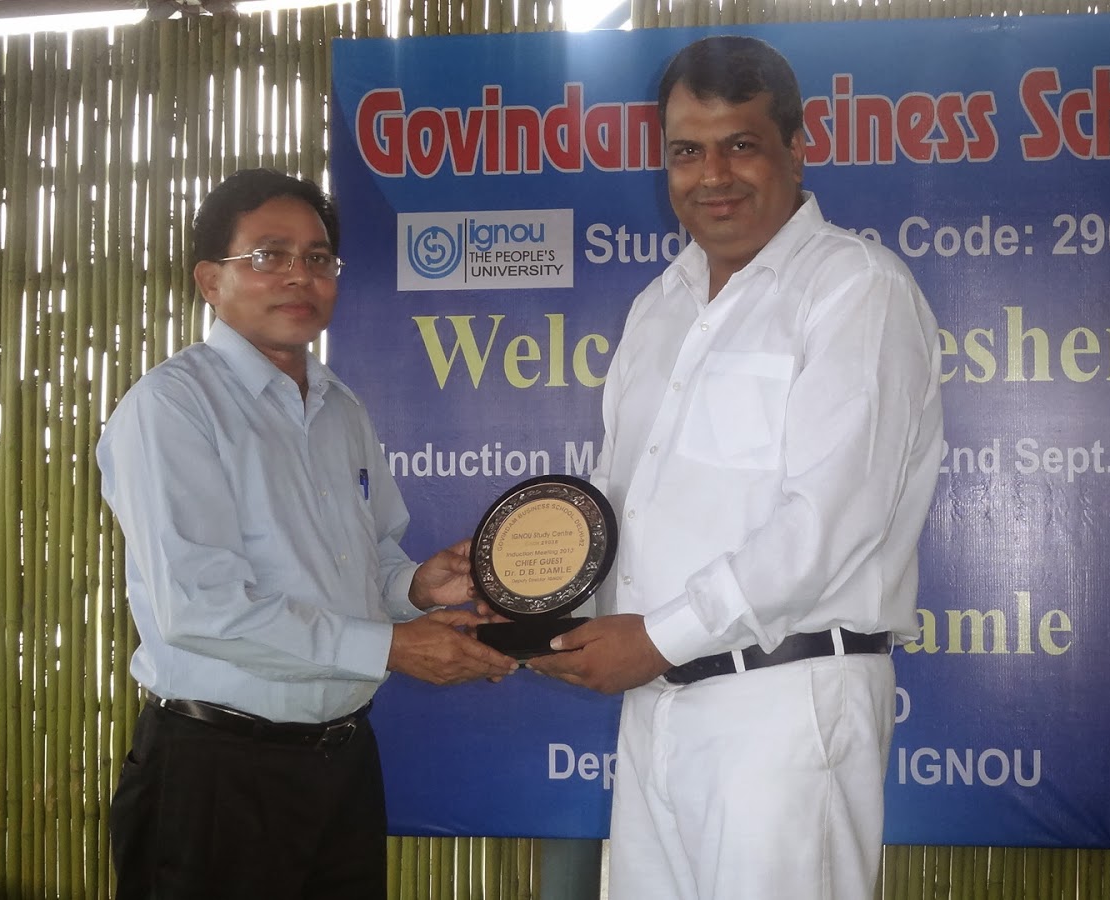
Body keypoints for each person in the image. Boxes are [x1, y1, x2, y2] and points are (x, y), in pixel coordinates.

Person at [530, 35, 944, 900]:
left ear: (798, 147)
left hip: (784, 711)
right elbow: (618, 506)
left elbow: (826, 526)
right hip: (657, 705)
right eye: (687, 151)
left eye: (740, 145)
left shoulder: (855, 289)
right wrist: (535, 598)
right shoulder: (658, 307)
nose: (712, 175)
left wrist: (654, 639)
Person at [97, 168, 517, 900]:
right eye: (269, 255)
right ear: (210, 280)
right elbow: (202, 609)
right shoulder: (172, 408)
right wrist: (393, 648)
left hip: (342, 761)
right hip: (217, 772)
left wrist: (416, 588)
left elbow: (369, 561)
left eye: (318, 258)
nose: (300, 275)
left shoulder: (339, 406)